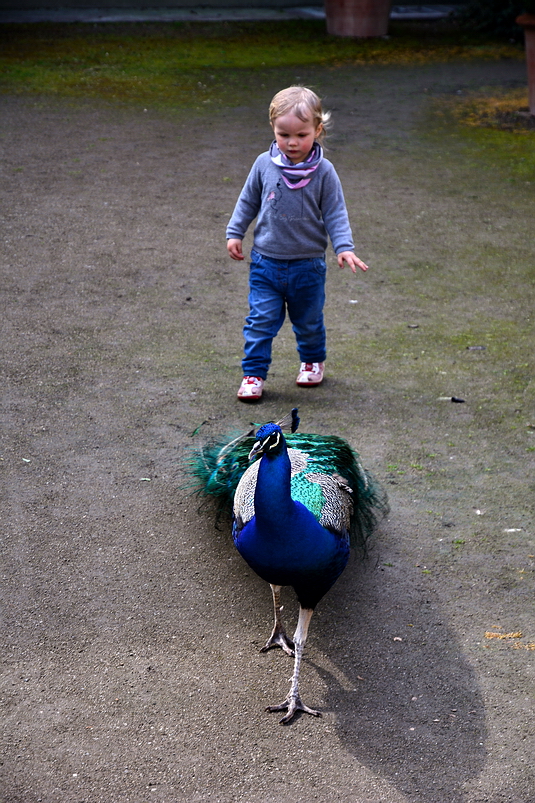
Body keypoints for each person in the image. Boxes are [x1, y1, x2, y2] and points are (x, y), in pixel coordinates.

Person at [226, 85, 368, 401]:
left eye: (302, 135)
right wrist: (235, 232)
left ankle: (312, 359)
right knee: (260, 321)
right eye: (283, 134)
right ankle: (253, 373)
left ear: (318, 130)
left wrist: (344, 246)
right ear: (273, 129)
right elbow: (248, 200)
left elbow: (335, 211)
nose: (292, 143)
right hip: (266, 263)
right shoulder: (264, 163)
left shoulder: (324, 172)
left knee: (308, 321)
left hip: (308, 266)